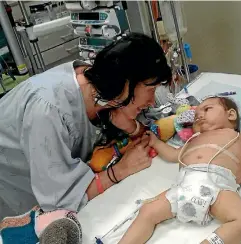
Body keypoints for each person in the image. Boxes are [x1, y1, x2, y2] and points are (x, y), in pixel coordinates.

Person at [0, 32, 172, 220]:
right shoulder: (48, 111)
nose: (151, 100)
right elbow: (59, 201)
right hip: (14, 181)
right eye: (150, 90)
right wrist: (119, 171)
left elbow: (152, 122)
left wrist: (132, 127)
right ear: (125, 83)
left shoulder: (106, 91)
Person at [119, 96, 241, 244]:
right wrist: (155, 142)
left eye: (207, 109)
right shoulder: (194, 139)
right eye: (197, 113)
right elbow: (173, 155)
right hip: (182, 186)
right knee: (147, 212)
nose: (198, 115)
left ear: (231, 115)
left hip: (218, 186)